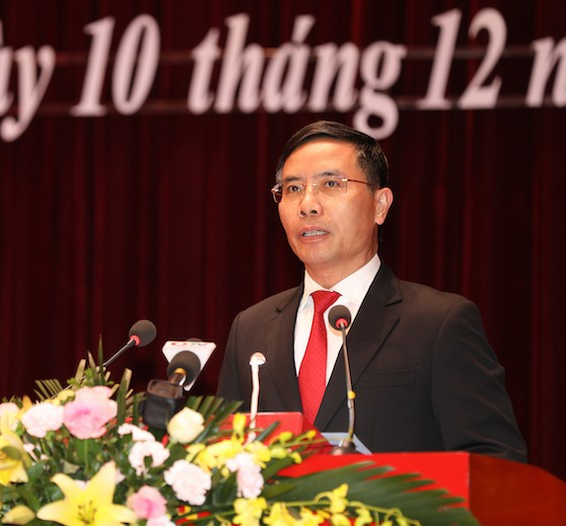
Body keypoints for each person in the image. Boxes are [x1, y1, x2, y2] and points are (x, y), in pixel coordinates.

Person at [217, 120, 527, 462]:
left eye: (331, 184)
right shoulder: (251, 328)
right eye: (292, 189)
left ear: (380, 205)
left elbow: (495, 462)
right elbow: (222, 461)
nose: (307, 205)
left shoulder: (439, 324)